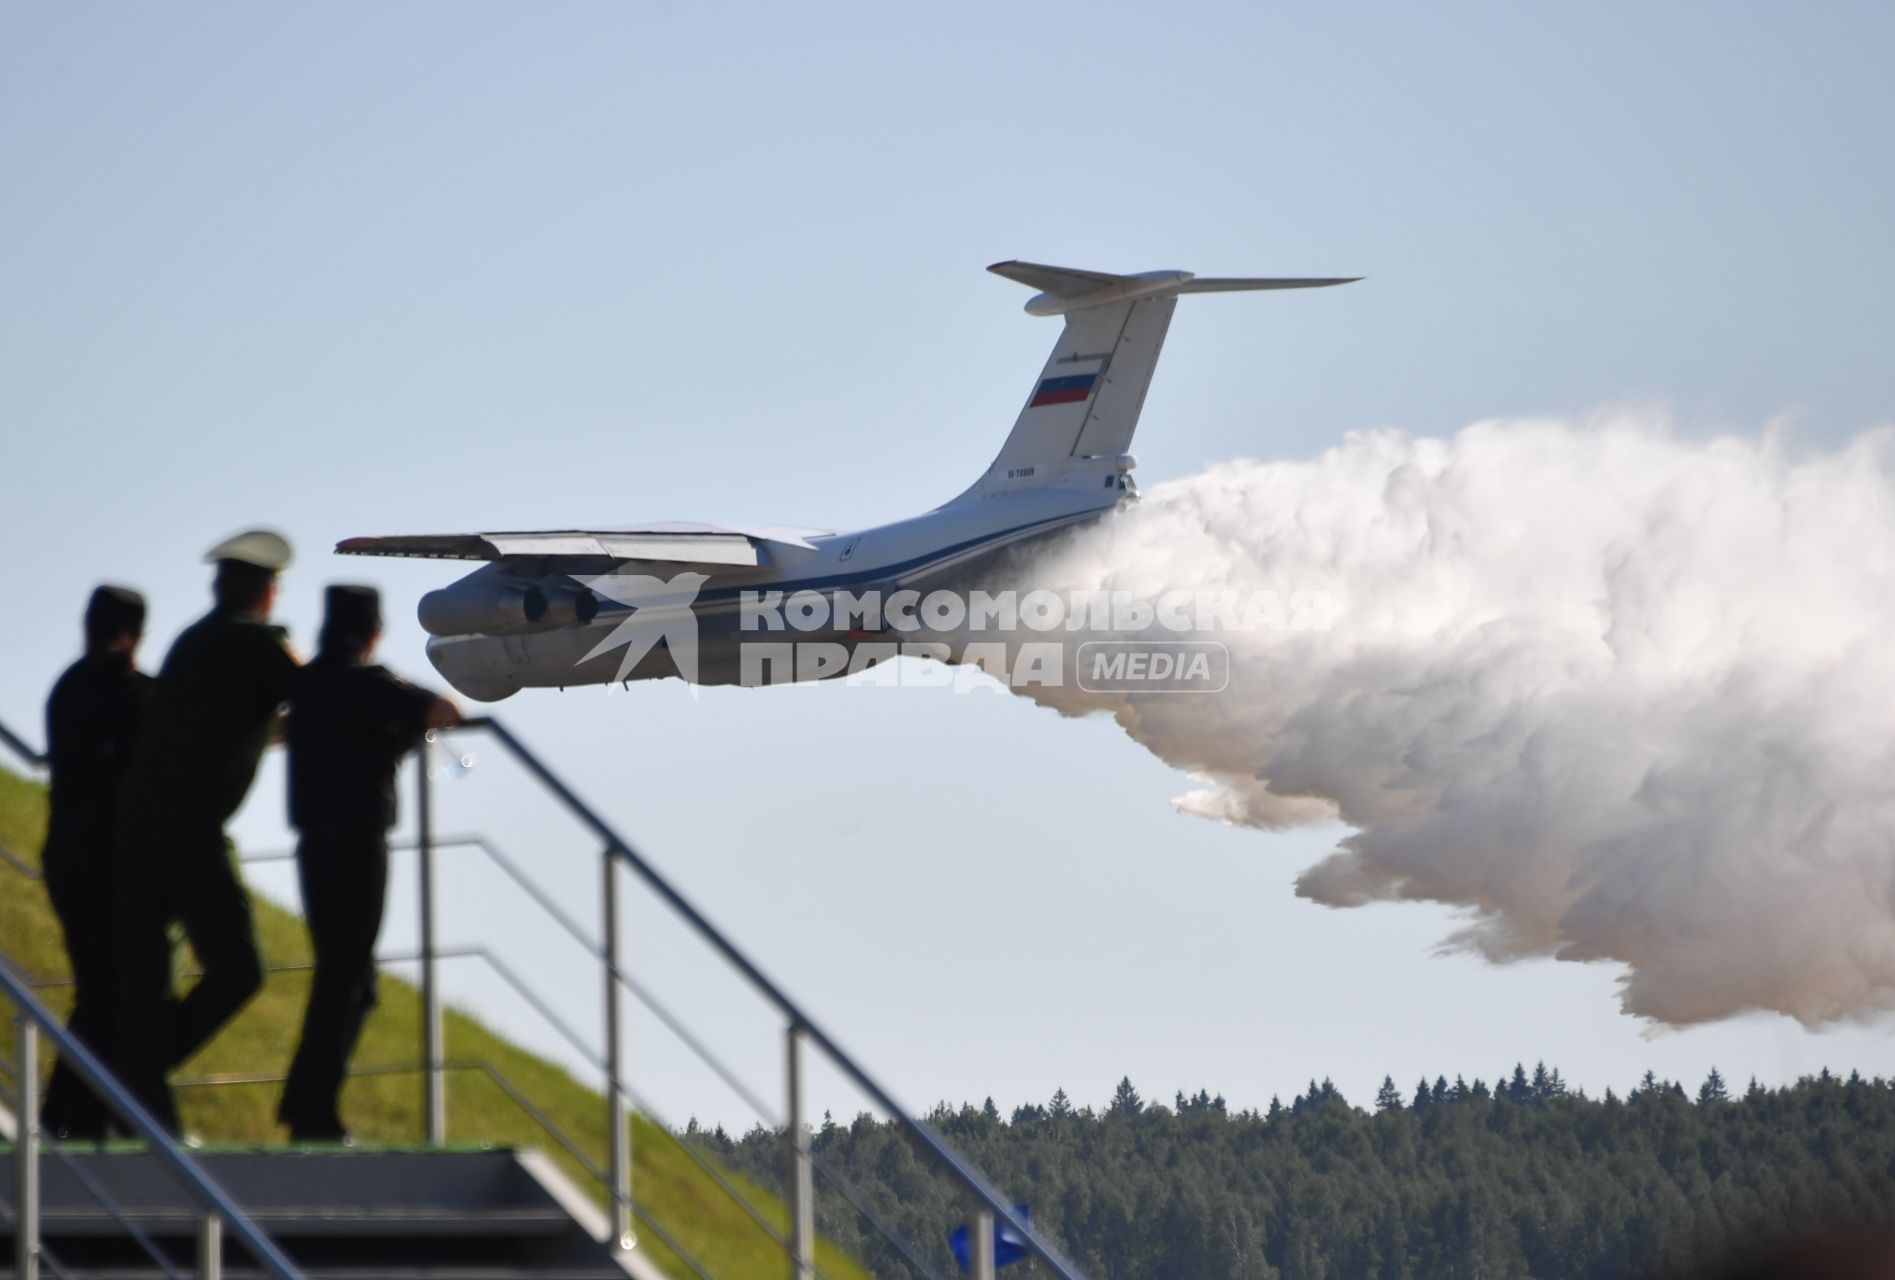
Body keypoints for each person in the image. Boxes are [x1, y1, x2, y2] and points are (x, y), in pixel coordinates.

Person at [114, 530, 299, 1133]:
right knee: (238, 968)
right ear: (268, 592)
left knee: (143, 990)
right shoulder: (254, 642)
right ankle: (124, 1081)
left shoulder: (196, 641)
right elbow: (322, 692)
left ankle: (123, 1089)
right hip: (187, 830)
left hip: (142, 826)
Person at [279, 584, 459, 1142]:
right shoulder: (372, 685)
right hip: (358, 844)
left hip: (313, 843)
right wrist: (403, 736)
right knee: (350, 978)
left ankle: (308, 1105)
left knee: (344, 972)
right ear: (373, 632)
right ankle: (310, 1110)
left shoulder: (307, 685)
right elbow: (444, 709)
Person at [40, 586, 154, 1140]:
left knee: (100, 990)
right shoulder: (126, 694)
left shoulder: (71, 687)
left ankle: (72, 1112)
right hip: (100, 861)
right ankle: (69, 1113)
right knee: (108, 992)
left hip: (69, 854)